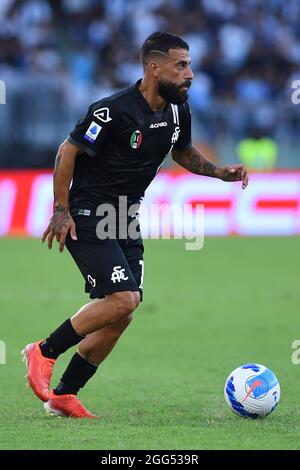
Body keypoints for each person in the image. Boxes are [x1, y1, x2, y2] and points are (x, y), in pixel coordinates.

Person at [22, 32, 248, 419]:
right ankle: (42, 351)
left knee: (122, 312)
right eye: (181, 65)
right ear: (153, 68)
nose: (189, 74)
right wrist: (61, 209)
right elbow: (68, 150)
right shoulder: (111, 111)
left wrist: (218, 172)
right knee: (122, 299)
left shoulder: (178, 110)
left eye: (190, 64)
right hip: (90, 213)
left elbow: (182, 151)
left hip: (126, 216)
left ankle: (64, 394)